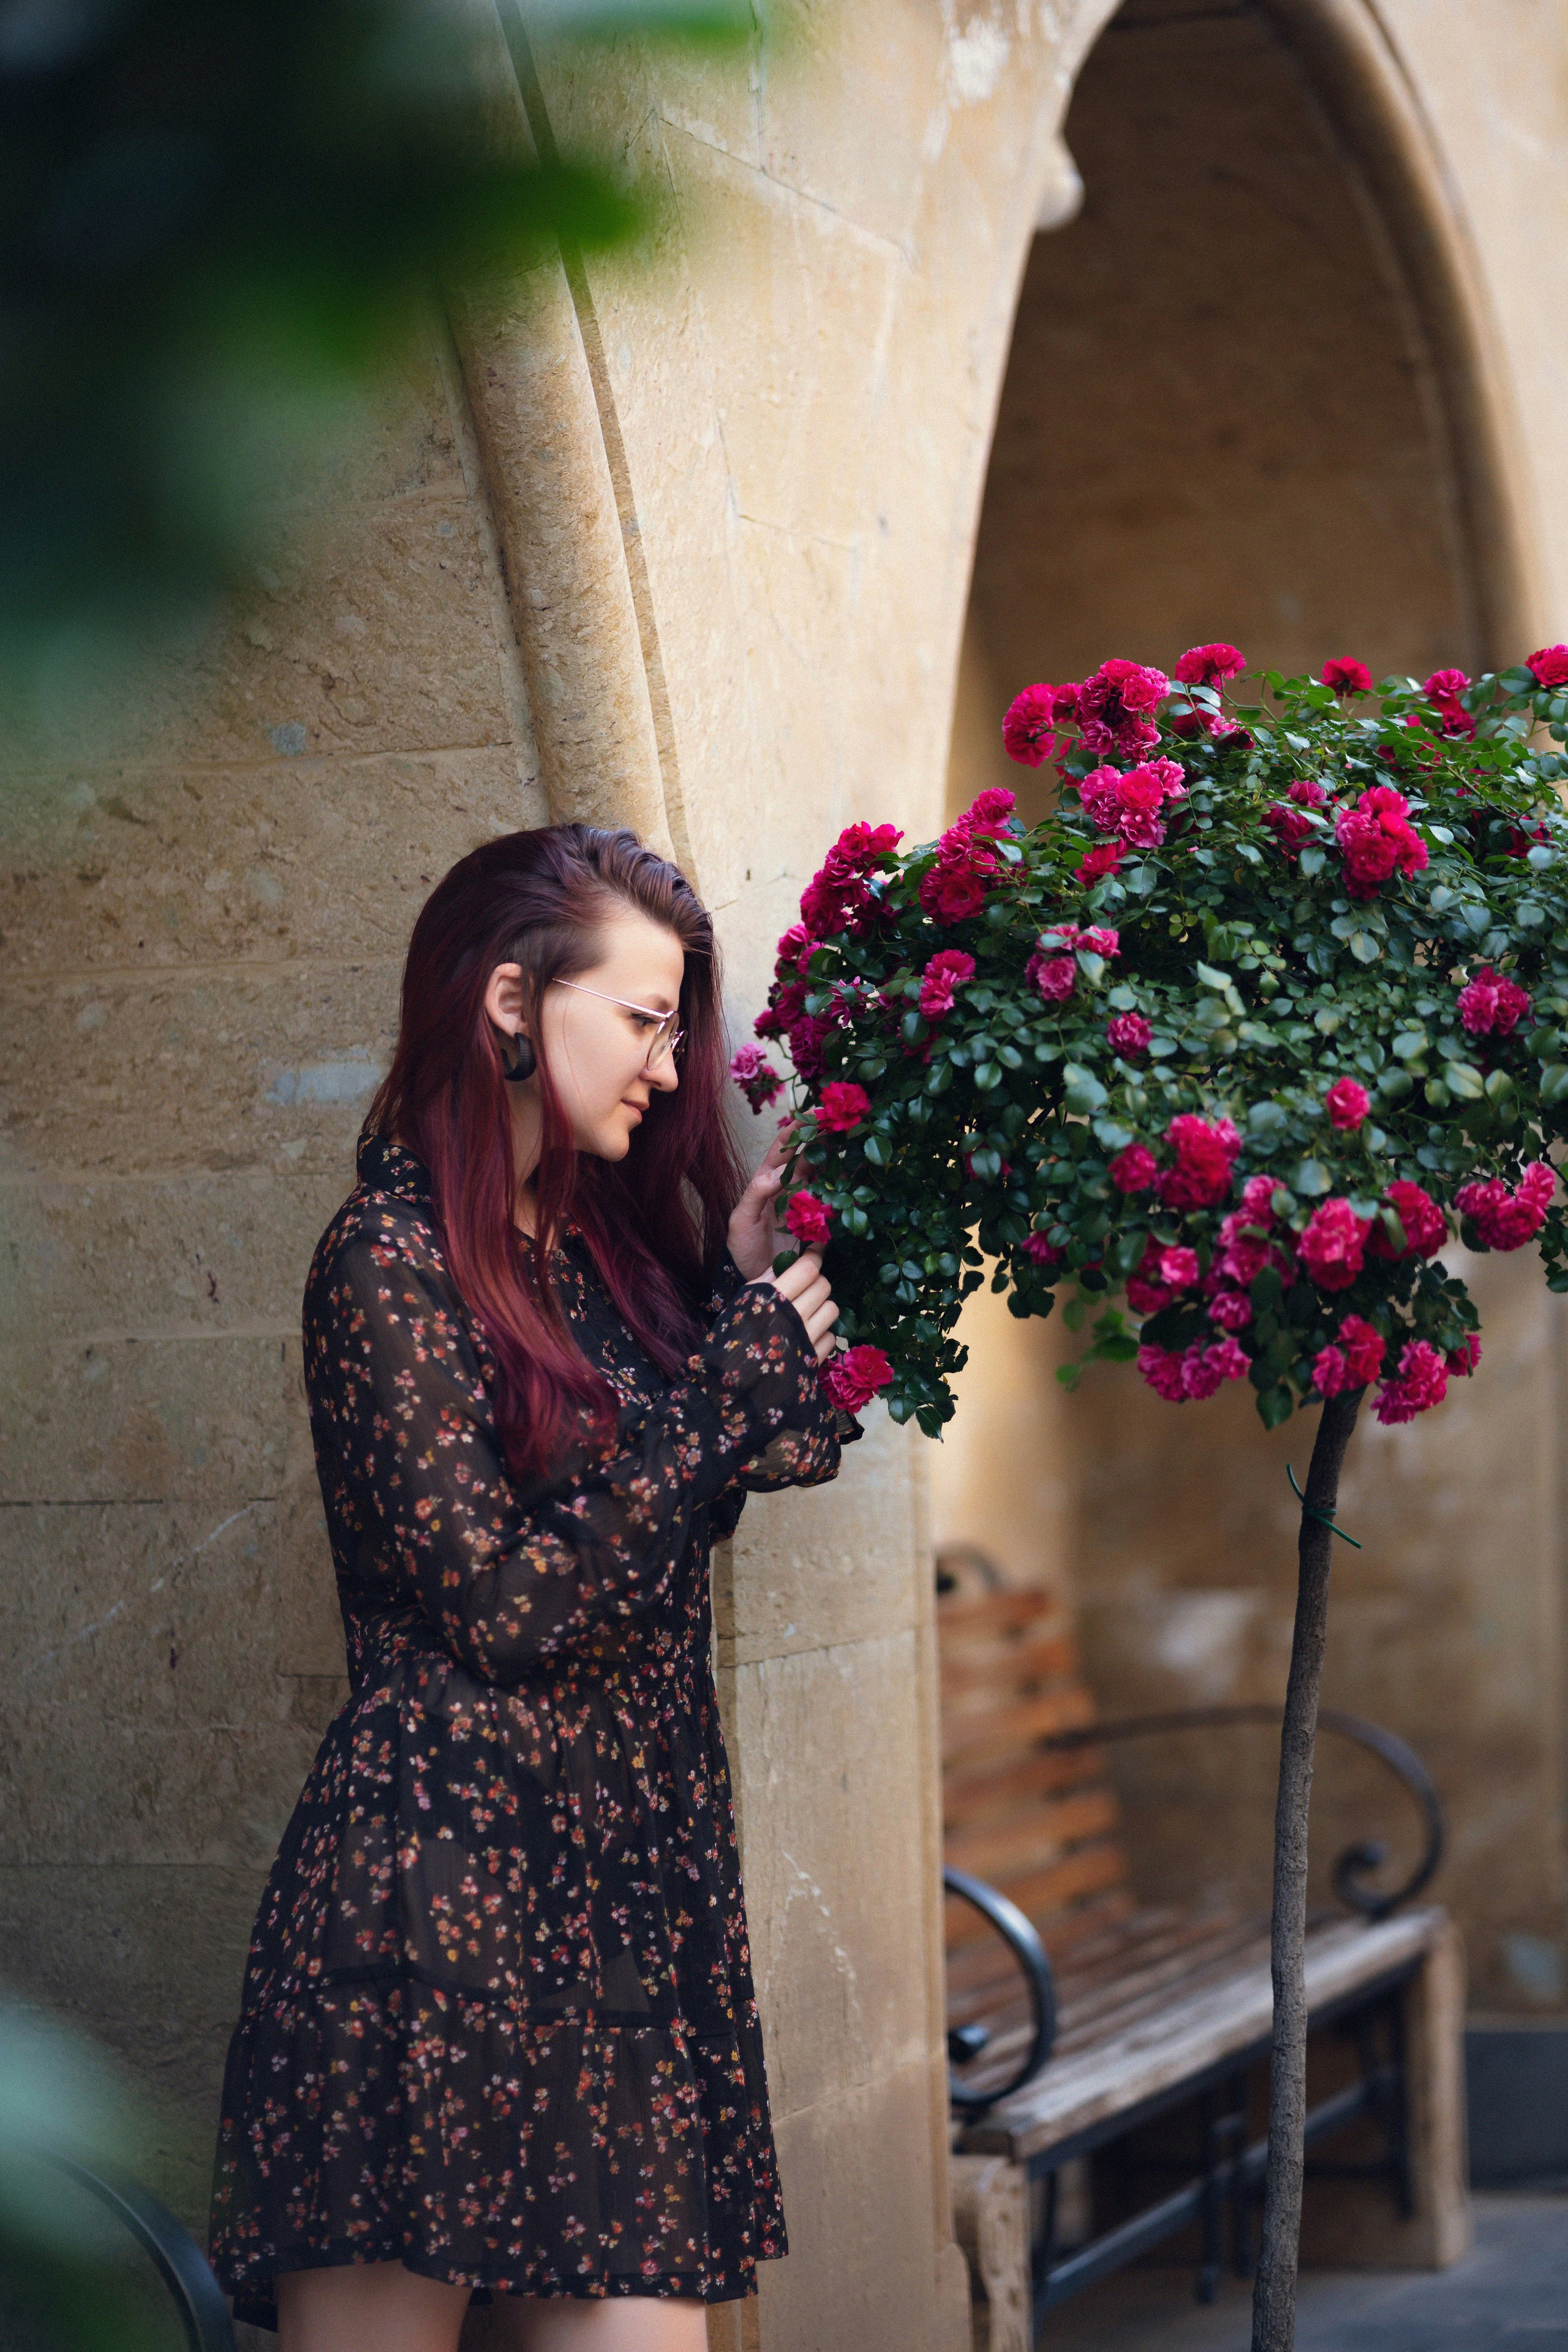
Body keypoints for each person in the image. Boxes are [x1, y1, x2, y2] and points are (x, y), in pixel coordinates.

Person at [209, 825, 851, 2351]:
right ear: (509, 1000)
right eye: (643, 1019)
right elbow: (502, 1607)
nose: (667, 1062)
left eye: (676, 1025)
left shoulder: (607, 1263)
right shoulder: (387, 1262)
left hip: (618, 1900)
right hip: (428, 1908)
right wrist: (726, 1382)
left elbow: (777, 1452)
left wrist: (735, 1294)